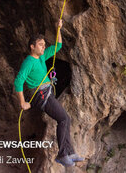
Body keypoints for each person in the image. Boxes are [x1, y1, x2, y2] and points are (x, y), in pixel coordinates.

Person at [14, 20, 84, 167]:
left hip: (47, 92)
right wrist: (22, 102)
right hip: (41, 95)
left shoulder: (40, 57)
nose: (44, 46)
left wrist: (59, 29)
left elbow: (58, 46)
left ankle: (69, 152)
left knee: (66, 119)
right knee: (63, 119)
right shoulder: (29, 61)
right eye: (40, 44)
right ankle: (63, 154)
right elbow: (18, 81)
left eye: (44, 44)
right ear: (32, 47)